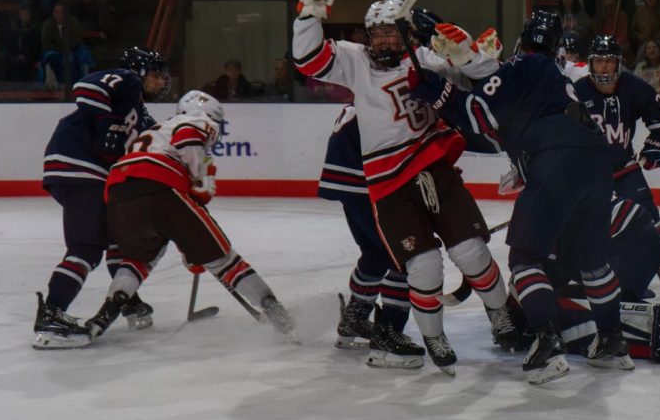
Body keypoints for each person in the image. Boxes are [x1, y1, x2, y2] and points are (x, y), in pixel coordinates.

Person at [293, 0, 518, 375]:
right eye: (376, 34)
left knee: (471, 252)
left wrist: (471, 53)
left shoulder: (431, 59)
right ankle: (428, 335)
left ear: (407, 35)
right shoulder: (354, 61)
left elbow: (486, 90)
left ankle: (500, 317)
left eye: (391, 34)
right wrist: (309, 12)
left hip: (433, 170)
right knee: (421, 265)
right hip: (386, 182)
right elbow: (308, 60)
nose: (382, 41)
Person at [408, 10, 633, 385]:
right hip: (596, 166)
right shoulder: (553, 76)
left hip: (557, 163)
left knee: (526, 257)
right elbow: (494, 105)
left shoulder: (526, 66)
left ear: (523, 42)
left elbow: (476, 111)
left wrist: (434, 87)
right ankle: (612, 341)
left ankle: (547, 343)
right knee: (593, 261)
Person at [85, 91, 298, 344]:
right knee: (223, 260)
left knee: (139, 258)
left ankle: (105, 314)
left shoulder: (156, 128)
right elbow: (188, 139)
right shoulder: (199, 120)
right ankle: (279, 316)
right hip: (159, 184)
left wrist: (191, 244)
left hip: (118, 191)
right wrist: (198, 180)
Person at [32, 47, 169, 349]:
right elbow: (86, 88)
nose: (162, 82)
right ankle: (51, 315)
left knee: (116, 241)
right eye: (157, 75)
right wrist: (109, 123)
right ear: (142, 71)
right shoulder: (128, 80)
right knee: (86, 248)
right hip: (81, 166)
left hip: (92, 175)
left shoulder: (142, 117)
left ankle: (130, 302)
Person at [575, 34, 660, 293]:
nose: (604, 67)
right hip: (587, 175)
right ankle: (582, 271)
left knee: (648, 214)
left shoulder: (634, 87)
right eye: (599, 61)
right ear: (590, 63)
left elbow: (658, 117)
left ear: (618, 63)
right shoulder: (576, 92)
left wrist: (654, 147)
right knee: (584, 226)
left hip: (624, 168)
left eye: (609, 62)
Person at [316, 104, 418, 362]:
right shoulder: (377, 101)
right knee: (401, 254)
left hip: (349, 185)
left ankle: (354, 318)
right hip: (366, 185)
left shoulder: (360, 101)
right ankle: (390, 329)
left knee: (376, 254)